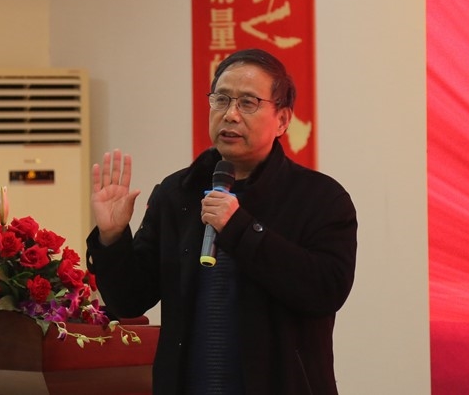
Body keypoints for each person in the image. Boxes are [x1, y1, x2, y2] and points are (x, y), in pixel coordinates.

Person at [86, 48, 358, 395]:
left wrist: (240, 228)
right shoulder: (177, 193)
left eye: (248, 102)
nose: (230, 114)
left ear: (282, 120)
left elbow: (325, 291)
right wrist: (112, 238)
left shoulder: (320, 198)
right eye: (221, 99)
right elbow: (129, 301)